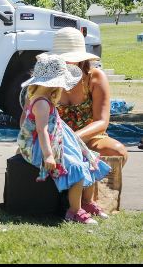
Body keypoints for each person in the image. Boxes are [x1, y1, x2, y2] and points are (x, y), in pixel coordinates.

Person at [18, 53, 111, 224]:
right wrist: (48, 155)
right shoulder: (41, 103)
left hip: (57, 139)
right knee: (76, 167)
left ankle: (87, 202)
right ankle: (74, 211)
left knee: (89, 159)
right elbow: (42, 130)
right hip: (41, 146)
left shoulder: (45, 99)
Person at [51, 27, 129, 165]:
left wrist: (72, 139)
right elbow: (29, 116)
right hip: (54, 140)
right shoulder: (46, 79)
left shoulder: (95, 77)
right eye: (64, 57)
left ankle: (96, 185)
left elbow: (101, 122)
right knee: (22, 156)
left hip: (90, 138)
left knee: (118, 151)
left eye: (71, 57)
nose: (67, 62)